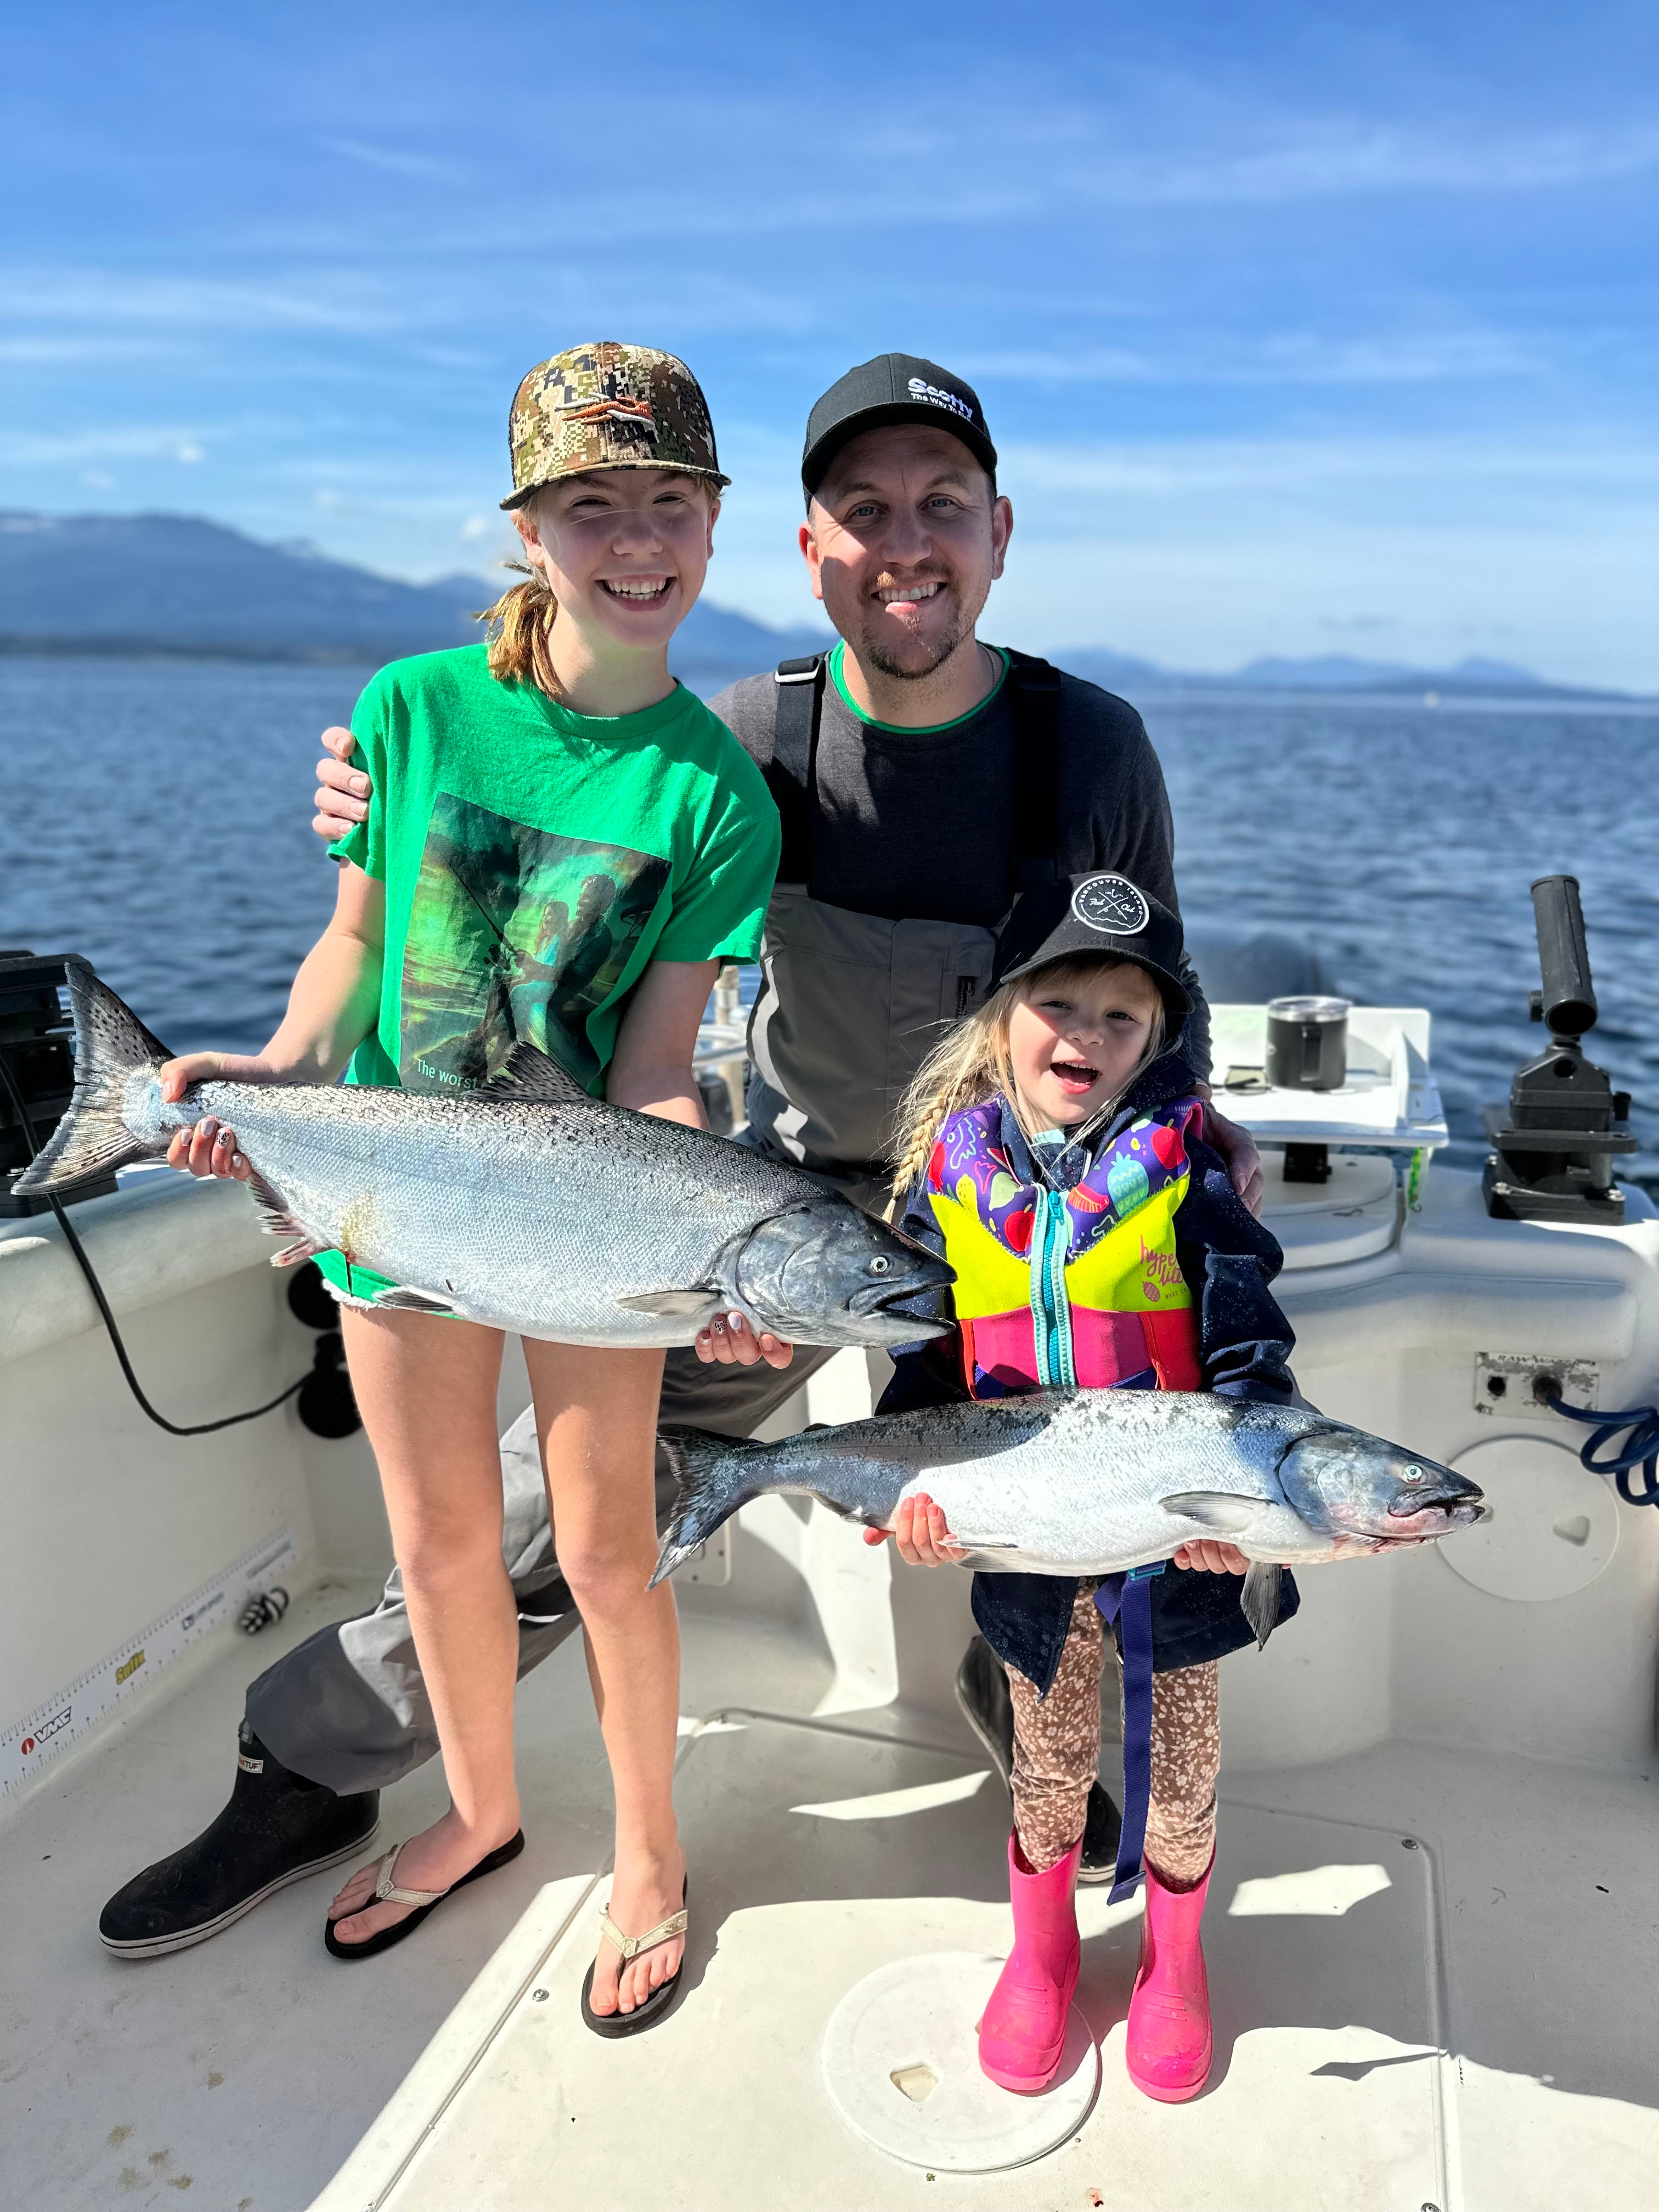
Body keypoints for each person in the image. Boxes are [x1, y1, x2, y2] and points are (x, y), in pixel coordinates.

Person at [101, 352, 1262, 1951]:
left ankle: (1045, 1743)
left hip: (1018, 1223)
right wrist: (360, 797)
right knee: (539, 1522)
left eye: (942, 507)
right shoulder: (743, 741)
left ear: (999, 533)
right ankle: (319, 1756)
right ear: (807, 548)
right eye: (866, 510)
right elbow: (524, 778)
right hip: (775, 1206)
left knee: (1084, 1478)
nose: (906, 542)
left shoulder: (1093, 748)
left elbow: (1150, 993)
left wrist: (1204, 1157)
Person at [99, 343, 781, 2037]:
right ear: (530, 528)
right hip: (392, 1194)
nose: (637, 542)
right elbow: (349, 943)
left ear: (713, 521)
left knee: (614, 1557)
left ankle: (648, 1858)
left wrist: (705, 1219)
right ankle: (479, 1812)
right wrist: (270, 1071)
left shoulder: (718, 792)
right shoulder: (412, 707)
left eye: (669, 505)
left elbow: (657, 1063)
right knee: (439, 1543)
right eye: (592, 507)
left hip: (583, 1220)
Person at [875, 872, 1301, 2101]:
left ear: (1160, 1037)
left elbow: (1248, 1357)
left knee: (1183, 1769)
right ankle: (1044, 1949)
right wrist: (913, 1491)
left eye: (1123, 1016)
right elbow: (925, 1362)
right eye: (1058, 1003)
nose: (1087, 1036)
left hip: (1182, 1540)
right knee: (1048, 1760)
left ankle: (1174, 1965)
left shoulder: (1193, 1172)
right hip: (1024, 1535)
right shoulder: (947, 1179)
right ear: (1001, 1017)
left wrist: (1251, 1515)